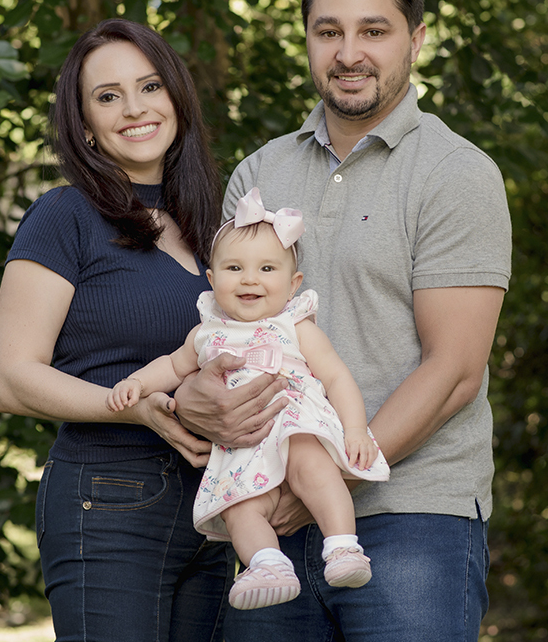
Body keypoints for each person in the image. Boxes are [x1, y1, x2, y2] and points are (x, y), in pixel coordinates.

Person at [173, 0, 513, 642]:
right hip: (266, 513)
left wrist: (326, 480)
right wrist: (197, 398)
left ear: (415, 40)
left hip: (412, 516)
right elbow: (229, 333)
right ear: (307, 40)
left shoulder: (456, 173)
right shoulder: (259, 174)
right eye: (329, 31)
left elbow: (453, 371)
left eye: (374, 31)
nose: (348, 52)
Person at [0, 18, 288, 642]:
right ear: (85, 123)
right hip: (108, 498)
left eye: (149, 85)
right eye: (107, 96)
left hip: (216, 506)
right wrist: (133, 408)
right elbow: (11, 378)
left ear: (176, 95)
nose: (134, 109)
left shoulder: (214, 228)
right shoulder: (64, 215)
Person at [107, 187, 390, 611]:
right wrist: (137, 384)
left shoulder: (295, 326)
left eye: (267, 268)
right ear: (212, 279)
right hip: (242, 448)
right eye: (234, 268)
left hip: (293, 426)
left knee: (315, 468)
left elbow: (336, 376)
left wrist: (354, 428)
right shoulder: (204, 333)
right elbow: (171, 366)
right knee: (240, 508)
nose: (249, 278)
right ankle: (266, 564)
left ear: (293, 284)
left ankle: (343, 546)